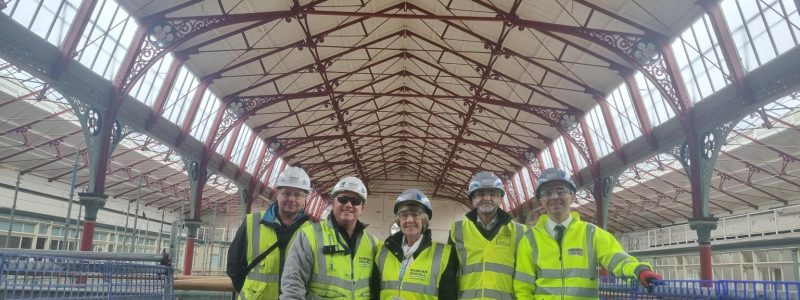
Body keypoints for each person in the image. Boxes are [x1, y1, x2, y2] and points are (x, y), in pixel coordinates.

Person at [514, 168, 663, 299]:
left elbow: (616, 257)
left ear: (572, 197)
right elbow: (523, 287)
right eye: (547, 193)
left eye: (561, 191)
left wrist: (639, 270)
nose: (554, 197)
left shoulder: (591, 233)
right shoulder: (529, 239)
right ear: (541, 200)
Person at [281, 176, 380, 299]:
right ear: (333, 202)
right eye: (343, 199)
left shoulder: (373, 243)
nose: (349, 205)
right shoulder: (310, 236)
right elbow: (293, 286)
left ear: (362, 209)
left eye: (355, 201)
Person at [226, 166, 312, 299]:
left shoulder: (312, 231)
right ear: (277, 194)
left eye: (298, 195)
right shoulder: (252, 223)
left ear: (305, 198)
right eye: (286, 193)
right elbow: (234, 265)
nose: (291, 199)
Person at [448, 171, 527, 299]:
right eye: (480, 194)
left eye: (493, 194)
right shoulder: (457, 230)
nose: (486, 198)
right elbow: (449, 274)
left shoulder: (520, 231)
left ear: (500, 199)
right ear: (472, 199)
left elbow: (526, 276)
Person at [371, 188, 458, 300]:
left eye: (416, 214)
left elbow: (449, 296)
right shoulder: (382, 252)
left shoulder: (445, 254)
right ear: (399, 220)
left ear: (424, 220)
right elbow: (374, 292)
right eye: (404, 215)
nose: (409, 220)